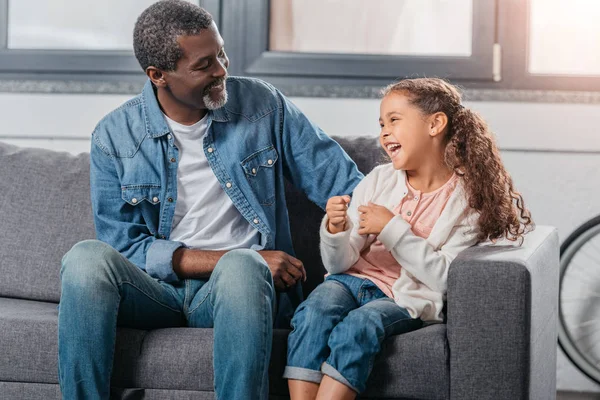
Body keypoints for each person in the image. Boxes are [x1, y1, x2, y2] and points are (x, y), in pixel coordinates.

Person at [57, 1, 363, 399]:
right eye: (204, 65)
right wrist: (237, 259)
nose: (221, 70)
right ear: (158, 75)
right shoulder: (114, 136)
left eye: (221, 53)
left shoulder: (263, 106)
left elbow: (343, 185)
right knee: (84, 258)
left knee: (241, 266)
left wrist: (412, 220)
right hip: (156, 291)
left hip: (238, 288)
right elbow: (126, 247)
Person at [284, 77, 534, 399]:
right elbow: (339, 262)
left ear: (435, 124)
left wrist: (391, 227)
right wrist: (335, 230)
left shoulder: (467, 201)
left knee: (359, 328)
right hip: (350, 280)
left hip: (404, 297)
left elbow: (442, 278)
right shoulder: (379, 180)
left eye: (394, 120)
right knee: (314, 310)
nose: (384, 131)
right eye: (381, 124)